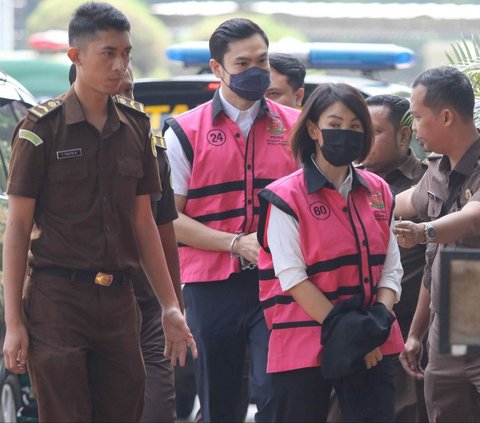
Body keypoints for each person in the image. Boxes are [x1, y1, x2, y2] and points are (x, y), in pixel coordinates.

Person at [2, 3, 196, 422]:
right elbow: (17, 228)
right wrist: (14, 322)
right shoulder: (40, 130)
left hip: (119, 301)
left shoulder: (137, 127)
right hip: (57, 300)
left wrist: (170, 306)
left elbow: (145, 222)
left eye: (125, 53)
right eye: (107, 52)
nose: (119, 64)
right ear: (76, 56)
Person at [164, 18, 300, 423]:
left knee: (276, 389)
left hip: (280, 280)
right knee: (219, 399)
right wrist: (234, 243)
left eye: (262, 60)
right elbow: (169, 220)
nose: (255, 71)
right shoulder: (184, 132)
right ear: (217, 69)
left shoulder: (295, 128)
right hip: (210, 286)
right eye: (242, 63)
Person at [257, 82, 405, 423]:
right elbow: (293, 278)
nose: (345, 133)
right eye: (335, 124)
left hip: (373, 343)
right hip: (303, 342)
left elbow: (390, 269)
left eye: (355, 126)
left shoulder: (379, 191)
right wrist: (353, 334)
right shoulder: (284, 197)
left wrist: (373, 327)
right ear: (313, 129)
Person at [394, 65, 480, 422]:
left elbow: (474, 215)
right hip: (458, 310)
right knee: (445, 399)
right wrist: (415, 333)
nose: (413, 128)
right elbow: (438, 261)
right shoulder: (437, 171)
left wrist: (424, 231)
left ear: (446, 116)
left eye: (416, 116)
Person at [118, 67, 182, 423]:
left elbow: (164, 232)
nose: (126, 99)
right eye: (117, 90)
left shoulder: (152, 148)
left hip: (149, 302)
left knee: (157, 409)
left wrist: (175, 306)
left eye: (130, 89)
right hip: (83, 301)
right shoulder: (56, 137)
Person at [363, 94, 428, 422]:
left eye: (373, 132)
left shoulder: (430, 184)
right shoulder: (340, 183)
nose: (362, 140)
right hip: (351, 332)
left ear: (405, 135)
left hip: (408, 335)